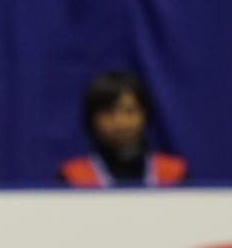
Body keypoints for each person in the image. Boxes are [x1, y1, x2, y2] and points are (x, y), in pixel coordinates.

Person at [59, 72, 187, 188]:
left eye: (129, 111)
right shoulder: (72, 176)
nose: (121, 122)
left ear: (146, 114)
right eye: (108, 113)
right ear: (92, 119)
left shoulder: (174, 173)